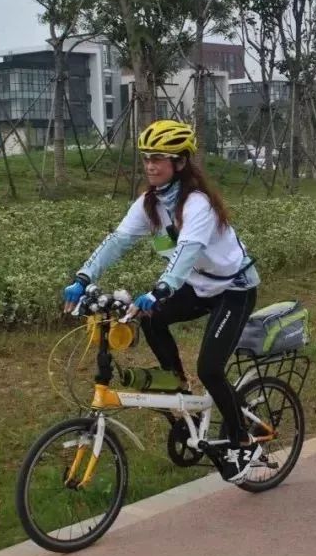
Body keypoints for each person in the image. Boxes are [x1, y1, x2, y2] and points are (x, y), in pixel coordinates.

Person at [61, 119, 262, 484]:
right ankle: (180, 388)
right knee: (151, 320)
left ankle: (243, 441)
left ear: (180, 163)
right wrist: (83, 276)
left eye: (160, 158)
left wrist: (162, 288)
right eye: (147, 159)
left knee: (212, 369)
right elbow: (118, 241)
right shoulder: (150, 203)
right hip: (199, 286)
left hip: (233, 288)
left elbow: (186, 252)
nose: (151, 165)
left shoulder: (197, 204)